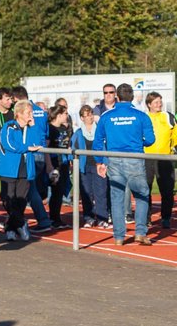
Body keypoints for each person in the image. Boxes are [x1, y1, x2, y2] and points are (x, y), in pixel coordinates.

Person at [93, 84, 155, 246]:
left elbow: (97, 142)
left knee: (117, 198)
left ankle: (119, 237)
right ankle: (140, 232)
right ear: (132, 97)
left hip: (114, 160)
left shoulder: (107, 116)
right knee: (141, 195)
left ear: (117, 97)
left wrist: (100, 162)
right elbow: (150, 140)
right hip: (134, 158)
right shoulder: (141, 116)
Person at [0, 100, 42, 242]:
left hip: (25, 168)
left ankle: (11, 227)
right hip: (9, 169)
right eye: (28, 112)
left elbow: (38, 143)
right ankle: (21, 223)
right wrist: (26, 148)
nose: (31, 115)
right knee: (9, 199)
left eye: (32, 112)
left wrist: (33, 126)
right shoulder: (9, 126)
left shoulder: (30, 128)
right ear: (19, 114)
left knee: (21, 200)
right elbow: (9, 143)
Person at [12, 86, 52, 232]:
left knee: (27, 189)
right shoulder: (41, 112)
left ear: (17, 99)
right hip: (41, 152)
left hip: (30, 153)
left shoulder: (24, 113)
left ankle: (37, 220)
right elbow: (46, 135)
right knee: (30, 188)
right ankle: (17, 220)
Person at [143, 91, 176, 230]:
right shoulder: (143, 118)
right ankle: (146, 218)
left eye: (160, 101)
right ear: (149, 104)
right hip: (146, 159)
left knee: (167, 191)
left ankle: (166, 218)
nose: (159, 104)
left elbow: (175, 135)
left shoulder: (168, 116)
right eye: (156, 102)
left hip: (165, 159)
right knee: (145, 190)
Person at [73, 105, 109, 228]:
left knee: (101, 192)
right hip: (84, 166)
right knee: (86, 193)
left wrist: (105, 163)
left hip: (98, 165)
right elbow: (73, 148)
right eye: (86, 115)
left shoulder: (100, 131)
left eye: (91, 114)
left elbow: (106, 147)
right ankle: (88, 217)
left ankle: (102, 218)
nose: (89, 117)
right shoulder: (78, 133)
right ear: (82, 118)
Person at [45, 104, 73, 228]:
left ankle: (56, 218)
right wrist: (50, 166)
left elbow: (67, 145)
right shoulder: (50, 129)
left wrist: (70, 161)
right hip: (54, 163)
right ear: (59, 115)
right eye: (65, 113)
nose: (67, 116)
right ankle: (53, 218)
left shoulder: (64, 128)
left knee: (60, 191)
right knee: (55, 191)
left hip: (64, 163)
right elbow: (46, 147)